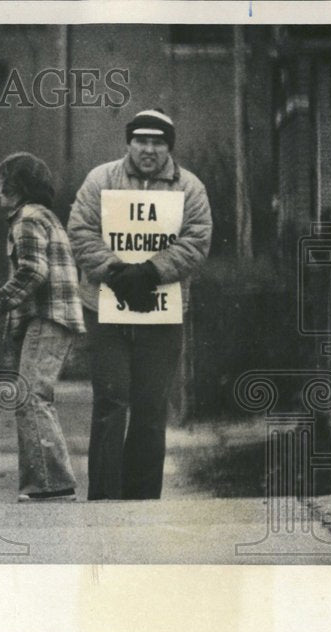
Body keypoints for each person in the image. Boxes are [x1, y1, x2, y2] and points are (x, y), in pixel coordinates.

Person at [67, 108, 212, 500]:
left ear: (169, 146)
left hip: (163, 310)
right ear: (128, 142)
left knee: (150, 408)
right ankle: (104, 497)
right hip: (106, 308)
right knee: (111, 402)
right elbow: (80, 231)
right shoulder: (101, 180)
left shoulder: (190, 188)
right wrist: (116, 272)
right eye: (141, 140)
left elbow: (197, 240)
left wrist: (150, 272)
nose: (149, 149)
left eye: (158, 142)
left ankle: (142, 502)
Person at [0, 152, 85, 502]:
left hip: (47, 316)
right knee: (35, 396)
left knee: (31, 397)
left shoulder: (26, 219)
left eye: (2, 184)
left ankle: (51, 485)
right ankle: (47, 483)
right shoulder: (46, 217)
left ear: (18, 187)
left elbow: (33, 271)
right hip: (58, 317)